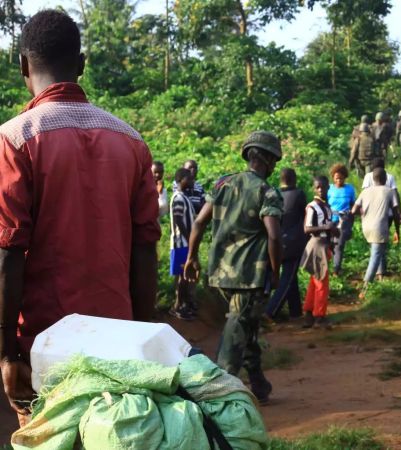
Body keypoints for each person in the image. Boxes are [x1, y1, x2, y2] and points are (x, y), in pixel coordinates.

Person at [0, 10, 161, 424]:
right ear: (82, 64)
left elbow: (8, 254)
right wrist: (142, 338)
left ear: (22, 66)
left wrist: (7, 353)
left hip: (46, 347)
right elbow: (146, 249)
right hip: (119, 344)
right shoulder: (132, 142)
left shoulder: (15, 139)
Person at [185, 131, 283, 403]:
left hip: (219, 275)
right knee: (236, 329)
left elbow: (199, 222)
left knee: (244, 325)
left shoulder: (222, 184)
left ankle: (259, 384)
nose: (274, 166)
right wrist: (276, 272)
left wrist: (192, 257)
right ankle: (216, 394)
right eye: (273, 160)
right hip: (248, 276)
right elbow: (274, 236)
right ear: (265, 159)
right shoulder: (267, 192)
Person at [265, 168, 307, 322]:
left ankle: (295, 312)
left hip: (273, 242)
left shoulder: (273, 195)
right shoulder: (298, 194)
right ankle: (270, 312)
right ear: (294, 179)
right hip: (293, 243)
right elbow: (305, 217)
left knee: (291, 278)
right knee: (286, 279)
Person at [352, 168, 401, 298]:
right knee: (375, 256)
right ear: (385, 179)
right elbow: (396, 214)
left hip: (366, 226)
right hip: (379, 227)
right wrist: (397, 230)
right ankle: (365, 288)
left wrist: (362, 214)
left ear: (373, 179)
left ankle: (380, 276)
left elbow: (353, 210)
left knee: (377, 252)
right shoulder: (390, 191)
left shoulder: (365, 191)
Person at [300, 176, 337, 329]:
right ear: (315, 189)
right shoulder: (312, 207)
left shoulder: (327, 207)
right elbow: (307, 229)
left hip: (324, 245)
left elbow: (328, 227)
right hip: (316, 245)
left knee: (315, 281)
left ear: (328, 187)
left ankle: (309, 313)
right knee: (322, 282)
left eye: (323, 187)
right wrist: (326, 228)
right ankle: (319, 317)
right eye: (318, 187)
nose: (321, 189)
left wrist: (334, 234)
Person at [169, 168, 198, 321]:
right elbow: (179, 220)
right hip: (181, 243)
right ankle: (177, 307)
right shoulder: (179, 198)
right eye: (190, 179)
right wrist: (190, 237)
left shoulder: (183, 197)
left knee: (185, 277)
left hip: (185, 243)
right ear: (182, 180)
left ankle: (183, 305)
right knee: (183, 277)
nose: (192, 181)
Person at [327, 163, 356, 275]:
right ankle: (329, 266)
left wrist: (351, 220)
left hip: (344, 220)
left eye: (341, 178)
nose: (339, 180)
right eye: (336, 178)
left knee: (339, 245)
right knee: (330, 244)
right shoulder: (329, 189)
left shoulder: (349, 189)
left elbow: (353, 204)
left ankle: (336, 269)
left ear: (345, 177)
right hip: (331, 220)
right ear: (333, 178)